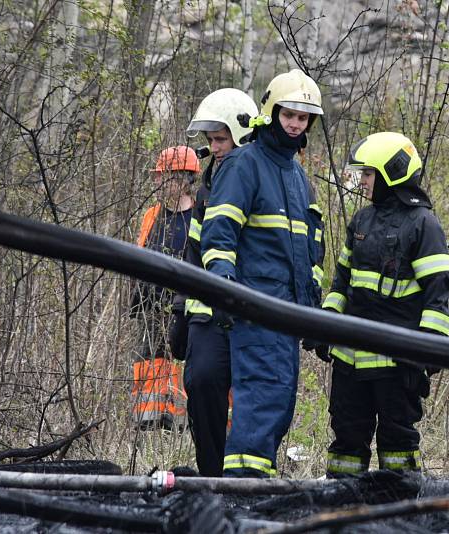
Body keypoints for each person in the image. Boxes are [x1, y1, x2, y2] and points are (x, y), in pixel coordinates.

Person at [200, 69, 324, 478]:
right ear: (271, 112)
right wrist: (224, 286)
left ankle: (256, 480)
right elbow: (220, 232)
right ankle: (244, 490)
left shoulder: (296, 175)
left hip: (287, 312)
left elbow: (309, 252)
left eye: (303, 118)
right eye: (289, 114)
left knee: (279, 398)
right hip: (255, 304)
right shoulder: (245, 164)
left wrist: (313, 313)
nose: (295, 124)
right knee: (261, 396)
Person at [317, 132, 449, 477]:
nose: (362, 181)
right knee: (346, 443)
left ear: (391, 173)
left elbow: (438, 296)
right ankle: (341, 512)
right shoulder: (361, 221)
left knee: (398, 445)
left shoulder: (424, 225)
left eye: (368, 173)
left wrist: (425, 350)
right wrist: (325, 323)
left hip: (397, 362)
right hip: (350, 361)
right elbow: (341, 283)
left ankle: (401, 513)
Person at [171, 88, 259, 477]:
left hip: (252, 315)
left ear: (242, 135)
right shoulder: (206, 190)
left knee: (253, 400)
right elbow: (192, 256)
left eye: (220, 139)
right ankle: (212, 477)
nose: (215, 147)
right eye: (210, 140)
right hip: (206, 317)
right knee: (202, 384)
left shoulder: (265, 181)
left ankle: (247, 480)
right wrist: (179, 312)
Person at [130, 146, 199, 430]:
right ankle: (147, 428)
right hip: (151, 312)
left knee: (182, 373)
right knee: (148, 371)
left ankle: (178, 429)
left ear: (184, 179)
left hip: (184, 312)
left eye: (163, 176)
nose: (157, 182)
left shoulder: (200, 217)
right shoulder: (151, 215)